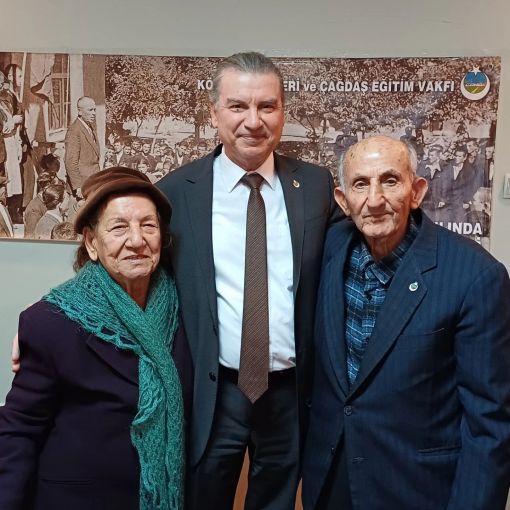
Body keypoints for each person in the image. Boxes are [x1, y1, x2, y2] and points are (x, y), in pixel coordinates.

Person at [157, 51, 341, 510]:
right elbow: (129, 267)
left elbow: (361, 254)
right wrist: (46, 324)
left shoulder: (315, 186)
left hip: (290, 391)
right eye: (238, 106)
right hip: (214, 388)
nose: (253, 121)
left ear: (283, 112)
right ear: (214, 112)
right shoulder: (175, 193)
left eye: (267, 106)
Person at [302, 135, 510, 510]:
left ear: (416, 192)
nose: (375, 199)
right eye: (361, 184)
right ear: (343, 201)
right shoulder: (327, 249)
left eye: (390, 180)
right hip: (331, 483)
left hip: (416, 489)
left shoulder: (475, 276)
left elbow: (489, 424)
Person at [0, 167, 191, 510]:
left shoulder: (188, 311)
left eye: (148, 225)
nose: (137, 240)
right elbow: (20, 429)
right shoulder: (49, 323)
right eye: (119, 227)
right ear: (91, 242)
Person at [64, 96, 100, 198]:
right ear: (80, 111)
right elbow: (70, 162)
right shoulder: (74, 131)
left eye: (94, 110)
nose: (94, 113)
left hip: (93, 182)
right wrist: (78, 187)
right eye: (90, 110)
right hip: (82, 186)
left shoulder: (89, 127)